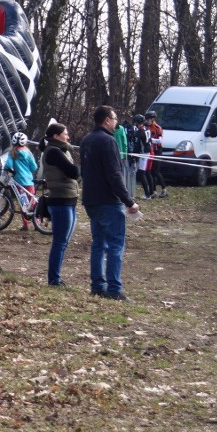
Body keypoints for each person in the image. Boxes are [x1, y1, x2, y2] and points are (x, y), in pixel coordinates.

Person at [80, 105, 141, 301]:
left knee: (99, 243)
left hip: (91, 199)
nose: (116, 122)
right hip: (107, 200)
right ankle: (114, 289)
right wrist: (129, 201)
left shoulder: (86, 140)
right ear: (106, 120)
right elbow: (114, 175)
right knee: (115, 245)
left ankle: (97, 286)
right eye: (114, 119)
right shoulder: (108, 141)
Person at [38, 123, 79, 286]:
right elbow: (74, 172)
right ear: (56, 136)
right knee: (60, 242)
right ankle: (54, 279)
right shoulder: (54, 152)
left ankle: (56, 277)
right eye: (65, 133)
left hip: (69, 199)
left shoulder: (62, 150)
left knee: (63, 242)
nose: (68, 137)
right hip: (60, 200)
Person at [4, 131, 38, 230]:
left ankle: (25, 225)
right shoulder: (28, 153)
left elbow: (8, 166)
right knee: (33, 203)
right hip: (29, 181)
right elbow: (34, 168)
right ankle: (37, 222)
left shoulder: (12, 153)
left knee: (23, 203)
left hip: (19, 181)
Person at [131, 114, 155, 199]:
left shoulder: (139, 132)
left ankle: (147, 194)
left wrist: (134, 155)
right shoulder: (147, 129)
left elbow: (137, 146)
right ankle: (150, 192)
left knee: (142, 173)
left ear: (137, 122)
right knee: (144, 173)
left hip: (143, 154)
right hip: (147, 152)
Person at [145, 110, 168, 197]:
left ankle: (164, 189)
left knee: (156, 171)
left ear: (152, 119)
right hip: (151, 150)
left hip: (157, 150)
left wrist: (152, 140)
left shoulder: (157, 127)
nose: (147, 121)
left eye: (148, 119)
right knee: (150, 171)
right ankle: (154, 190)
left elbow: (160, 140)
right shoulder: (147, 127)